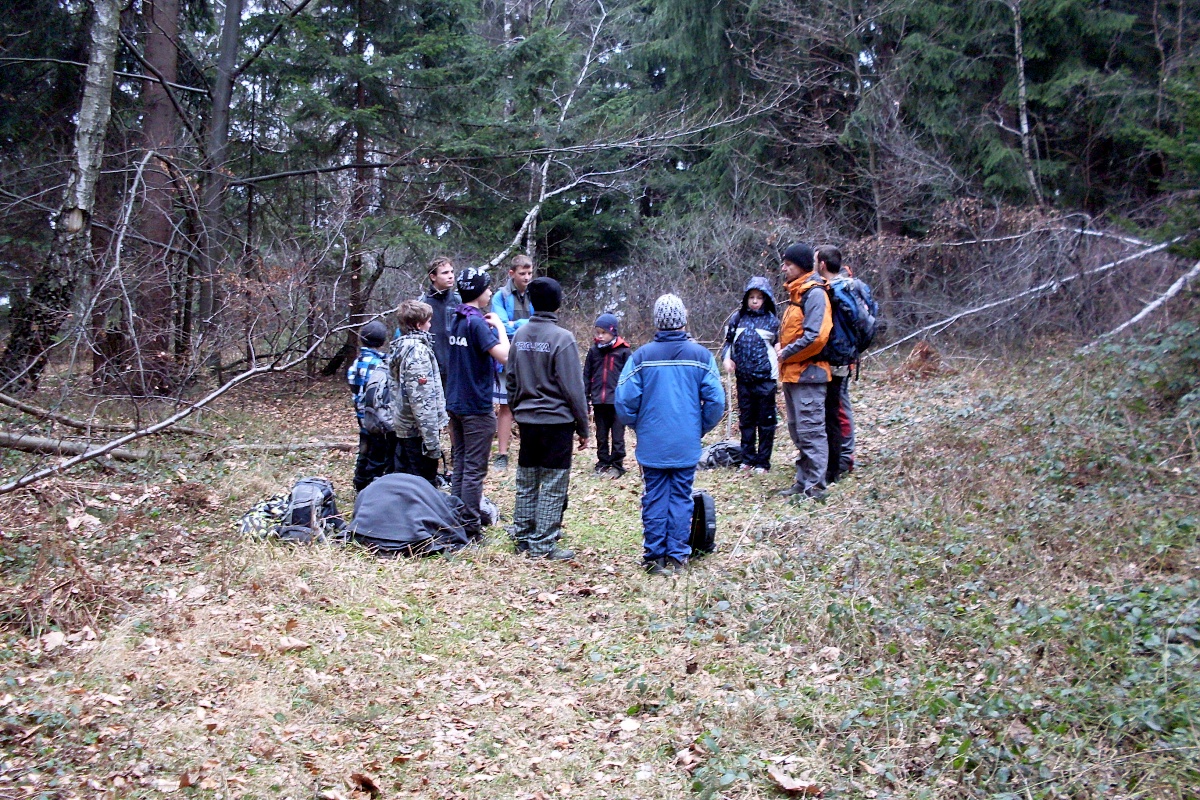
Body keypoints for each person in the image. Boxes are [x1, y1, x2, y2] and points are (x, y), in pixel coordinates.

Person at [616, 294, 725, 576]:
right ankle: (677, 557)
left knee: (654, 496)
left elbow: (624, 401)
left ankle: (654, 557)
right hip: (685, 442)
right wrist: (698, 428)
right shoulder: (701, 356)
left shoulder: (641, 357)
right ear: (683, 320)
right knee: (681, 496)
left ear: (657, 321)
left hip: (652, 443)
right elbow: (716, 402)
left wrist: (638, 425)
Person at [505, 277, 590, 560]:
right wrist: (583, 425)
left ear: (531, 302)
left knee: (527, 480)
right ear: (558, 303)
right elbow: (573, 388)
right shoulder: (562, 338)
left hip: (529, 421)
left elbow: (512, 380)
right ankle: (543, 545)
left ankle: (523, 537)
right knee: (553, 484)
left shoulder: (519, 336)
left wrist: (519, 410)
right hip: (556, 423)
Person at [445, 267, 510, 537]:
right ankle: (470, 526)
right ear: (479, 292)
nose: (491, 291)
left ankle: (456, 516)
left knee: (460, 461)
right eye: (488, 287)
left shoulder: (457, 319)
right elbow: (505, 356)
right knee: (473, 467)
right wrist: (501, 328)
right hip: (475, 406)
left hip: (455, 402)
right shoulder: (477, 323)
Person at [775, 243, 832, 500]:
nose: (783, 268)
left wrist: (786, 353)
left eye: (787, 264)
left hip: (809, 375)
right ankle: (803, 483)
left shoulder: (815, 294)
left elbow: (816, 336)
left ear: (800, 265)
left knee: (811, 432)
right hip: (794, 374)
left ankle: (816, 487)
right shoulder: (797, 293)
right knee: (799, 432)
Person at [719, 277, 780, 473]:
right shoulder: (737, 319)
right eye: (751, 297)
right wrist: (727, 360)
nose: (754, 301)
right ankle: (747, 459)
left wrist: (781, 354)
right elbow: (728, 343)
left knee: (766, 422)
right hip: (743, 379)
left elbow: (779, 345)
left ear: (766, 299)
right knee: (746, 420)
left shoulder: (772, 321)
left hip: (765, 379)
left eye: (759, 297)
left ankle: (763, 462)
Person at [391, 300, 448, 486]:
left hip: (409, 431)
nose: (430, 325)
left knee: (405, 480)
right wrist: (432, 444)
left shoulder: (403, 347)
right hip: (417, 435)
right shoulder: (417, 353)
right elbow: (422, 401)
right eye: (428, 321)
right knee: (420, 486)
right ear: (418, 325)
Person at [490, 254, 535, 470]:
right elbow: (500, 324)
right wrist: (519, 324)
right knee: (506, 405)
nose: (527, 277)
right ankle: (502, 453)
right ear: (512, 273)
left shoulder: (536, 292)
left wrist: (515, 323)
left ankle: (531, 449)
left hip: (533, 353)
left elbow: (538, 320)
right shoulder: (501, 296)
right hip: (507, 354)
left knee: (530, 401)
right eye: (522, 273)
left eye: (529, 273)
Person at [815, 245, 854, 483]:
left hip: (836, 359)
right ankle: (841, 459)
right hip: (846, 357)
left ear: (821, 264)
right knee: (838, 408)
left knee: (835, 411)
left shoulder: (833, 290)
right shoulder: (848, 285)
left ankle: (841, 462)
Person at [346, 319, 395, 492]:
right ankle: (371, 489)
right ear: (382, 342)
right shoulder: (380, 365)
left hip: (361, 417)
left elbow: (354, 388)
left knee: (364, 451)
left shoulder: (355, 364)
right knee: (378, 454)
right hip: (376, 418)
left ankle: (359, 483)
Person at [583, 313, 631, 477]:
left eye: (604, 332)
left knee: (618, 435)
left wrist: (629, 398)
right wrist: (586, 396)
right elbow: (587, 375)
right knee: (601, 435)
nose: (600, 336)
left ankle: (617, 464)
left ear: (613, 332)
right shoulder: (594, 351)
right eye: (598, 332)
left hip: (617, 402)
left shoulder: (624, 352)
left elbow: (630, 377)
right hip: (599, 400)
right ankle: (603, 462)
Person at [418, 256, 460, 385]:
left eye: (452, 272)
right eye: (445, 273)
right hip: (431, 367)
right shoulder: (422, 303)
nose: (450, 276)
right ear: (433, 277)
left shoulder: (458, 301)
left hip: (456, 367)